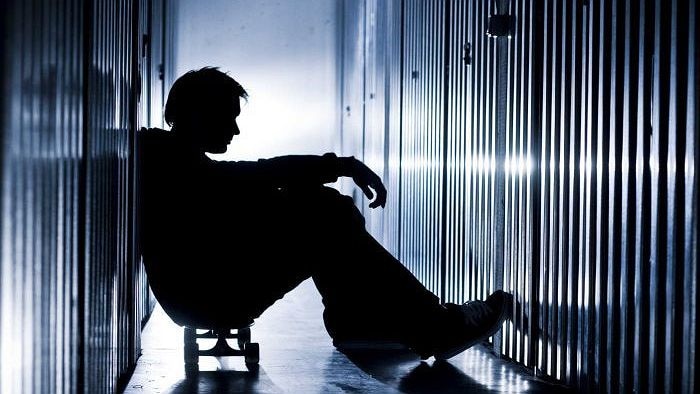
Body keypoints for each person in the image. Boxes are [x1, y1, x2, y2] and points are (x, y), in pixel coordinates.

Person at [138, 67, 510, 360]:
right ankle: (432, 327)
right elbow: (254, 174)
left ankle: (360, 324)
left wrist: (328, 176)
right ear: (199, 114)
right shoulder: (168, 161)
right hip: (208, 296)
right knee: (325, 213)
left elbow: (248, 179)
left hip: (204, 289)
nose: (235, 129)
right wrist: (342, 167)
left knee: (323, 209)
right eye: (227, 118)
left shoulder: (170, 157)